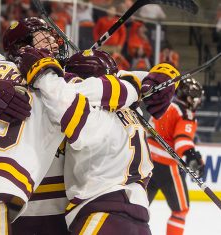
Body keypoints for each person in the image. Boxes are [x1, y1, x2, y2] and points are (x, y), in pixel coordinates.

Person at [0, 17, 141, 234]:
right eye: (44, 37)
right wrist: (136, 82)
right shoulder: (57, 84)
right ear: (21, 45)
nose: (54, 42)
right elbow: (111, 90)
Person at [62, 50, 180, 234]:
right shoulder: (132, 108)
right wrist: (167, 73)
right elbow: (140, 79)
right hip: (139, 215)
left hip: (102, 214)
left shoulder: (88, 111)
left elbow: (63, 92)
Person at [147, 77, 205, 235]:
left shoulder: (164, 105)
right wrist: (193, 156)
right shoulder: (186, 113)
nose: (198, 101)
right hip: (167, 167)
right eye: (196, 97)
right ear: (188, 97)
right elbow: (182, 141)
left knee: (138, 209)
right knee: (180, 211)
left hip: (146, 162)